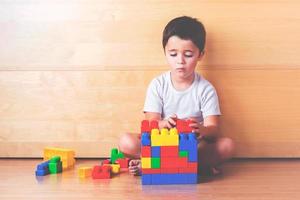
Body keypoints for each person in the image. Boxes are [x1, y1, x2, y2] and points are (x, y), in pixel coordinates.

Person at [118, 16, 235, 176]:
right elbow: (150, 122)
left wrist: (201, 130)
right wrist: (162, 124)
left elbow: (213, 130)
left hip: (193, 147)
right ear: (165, 53)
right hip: (162, 145)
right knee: (126, 141)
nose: (180, 61)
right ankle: (189, 167)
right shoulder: (158, 84)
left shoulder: (206, 89)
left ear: (200, 55)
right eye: (173, 54)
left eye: (188, 54)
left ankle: (155, 166)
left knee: (227, 146)